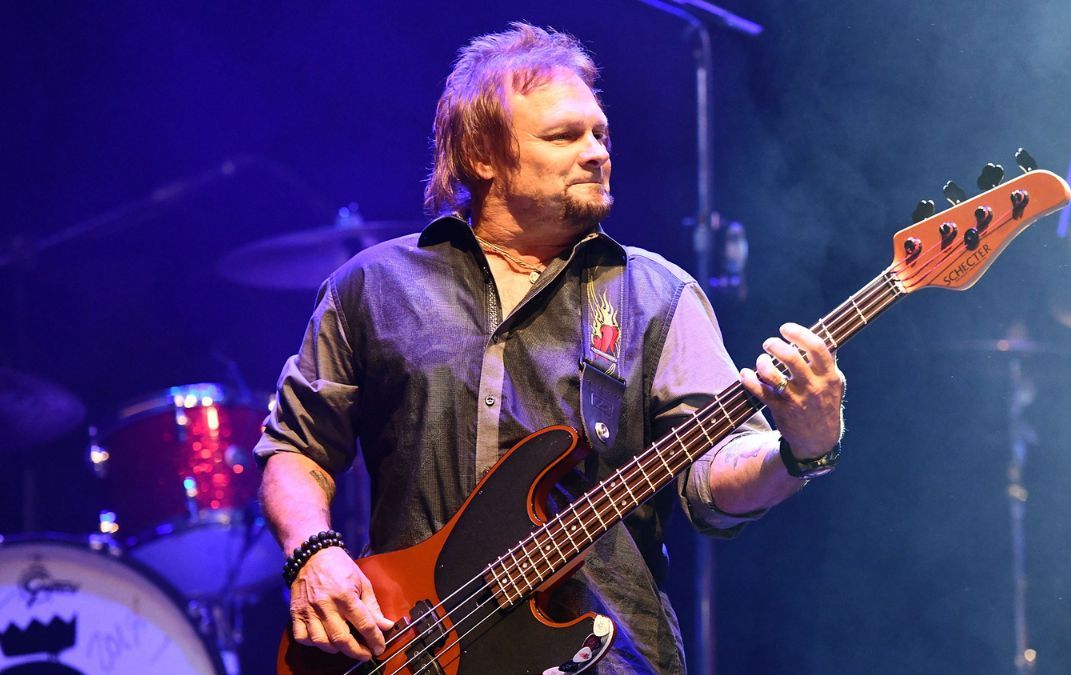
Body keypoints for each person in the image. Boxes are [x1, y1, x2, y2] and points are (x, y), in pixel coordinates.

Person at [256, 22, 845, 674]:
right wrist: (314, 552)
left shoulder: (655, 293)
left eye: (601, 134)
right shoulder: (373, 286)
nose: (596, 152)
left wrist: (798, 450)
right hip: (415, 652)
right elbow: (297, 448)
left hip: (603, 656)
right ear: (483, 155)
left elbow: (711, 480)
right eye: (564, 136)